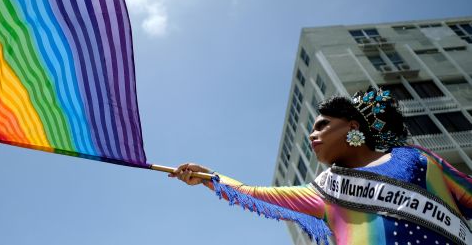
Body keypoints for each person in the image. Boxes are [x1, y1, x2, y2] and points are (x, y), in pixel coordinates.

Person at [170, 87, 472, 245]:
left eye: (323, 125)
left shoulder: (417, 158)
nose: (313, 135)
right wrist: (209, 177)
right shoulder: (324, 188)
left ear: (353, 126)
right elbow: (253, 193)